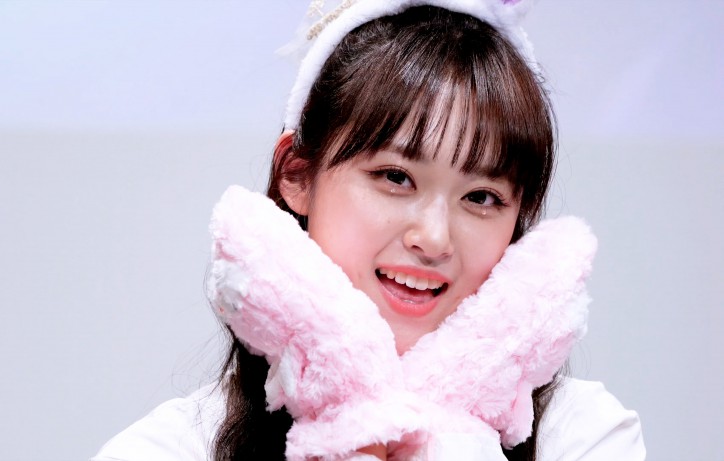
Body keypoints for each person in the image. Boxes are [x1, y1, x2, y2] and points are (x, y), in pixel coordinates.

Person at [93, 1, 645, 460]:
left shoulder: (583, 436)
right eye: (395, 177)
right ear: (297, 175)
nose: (434, 238)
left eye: (481, 197)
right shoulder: (170, 449)